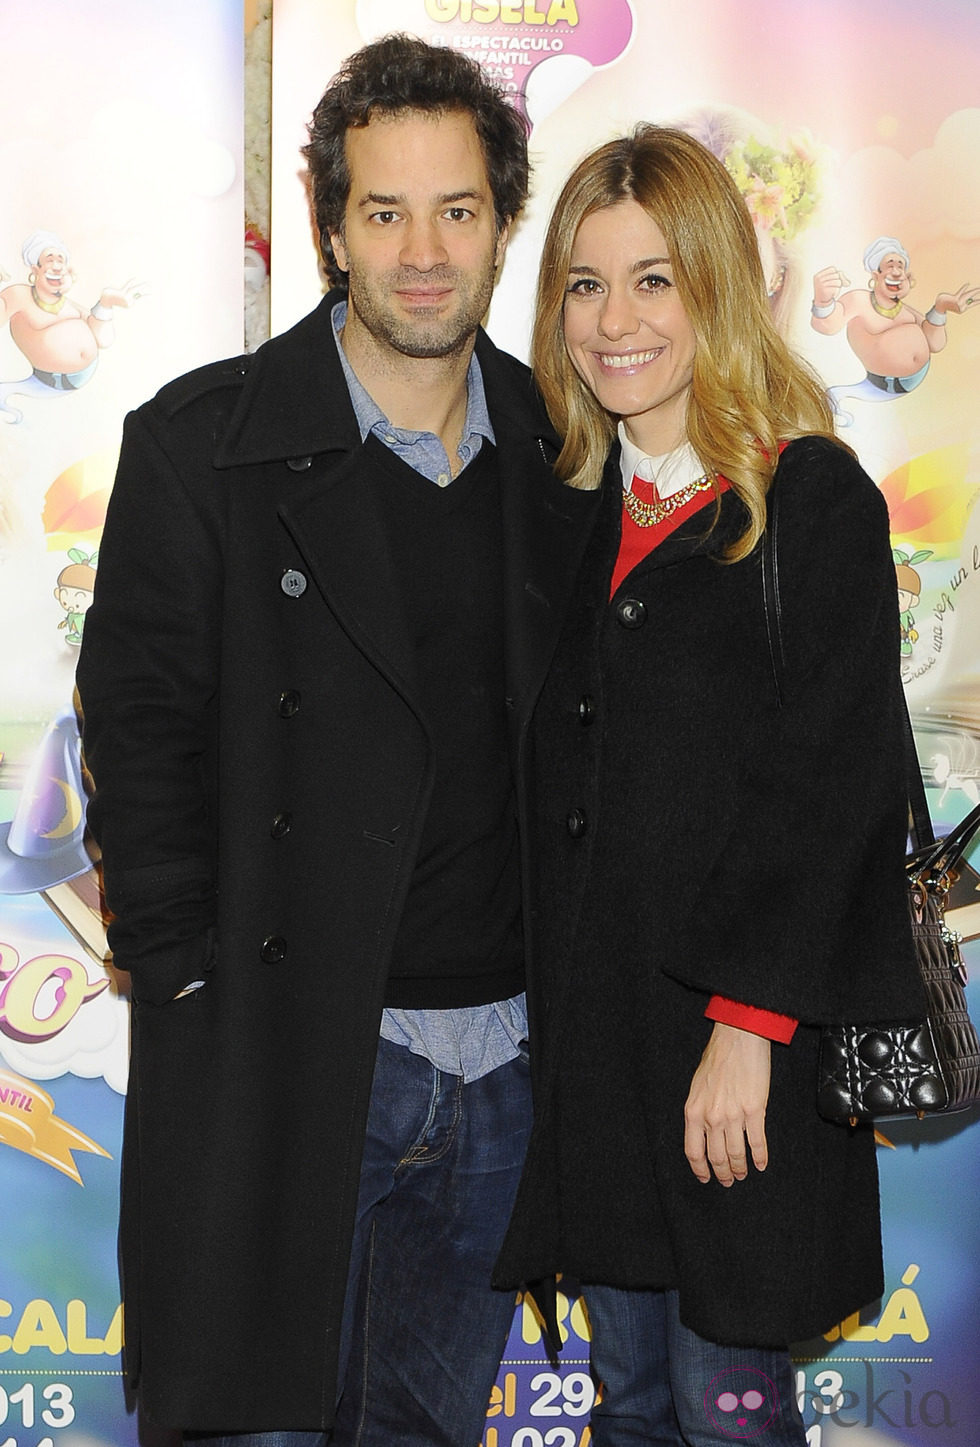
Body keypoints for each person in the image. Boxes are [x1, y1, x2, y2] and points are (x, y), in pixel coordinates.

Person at [76, 34, 597, 1447]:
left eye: (458, 210)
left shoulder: (568, 452)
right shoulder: (205, 444)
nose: (423, 253)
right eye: (385, 211)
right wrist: (189, 985)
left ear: (502, 221)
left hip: (506, 1068)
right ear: (329, 226)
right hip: (295, 1056)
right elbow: (139, 728)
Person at [492, 126, 926, 1446]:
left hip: (746, 1057)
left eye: (654, 280)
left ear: (717, 290)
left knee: (727, 1415)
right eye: (584, 282)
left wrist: (748, 1025)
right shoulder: (559, 509)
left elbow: (830, 787)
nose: (614, 321)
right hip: (596, 1057)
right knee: (627, 1411)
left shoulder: (809, 503)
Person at [810, 236, 979, 424]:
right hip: (887, 384)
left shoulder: (907, 311)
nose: (897, 272)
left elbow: (936, 344)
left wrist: (941, 307)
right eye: (890, 265)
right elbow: (827, 326)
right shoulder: (859, 300)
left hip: (920, 382)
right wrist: (823, 300)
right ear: (875, 276)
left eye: (901, 267)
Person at [0, 231, 144, 421]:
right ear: (35, 270)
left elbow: (103, 340)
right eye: (50, 259)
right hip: (53, 380)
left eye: (61, 260)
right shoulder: (18, 295)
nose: (57, 266)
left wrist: (106, 304)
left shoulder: (68, 304)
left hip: (88, 378)